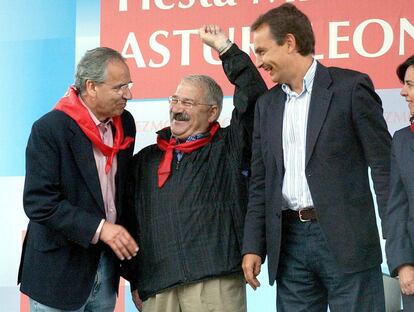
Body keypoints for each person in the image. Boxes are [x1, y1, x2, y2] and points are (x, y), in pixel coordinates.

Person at [241, 3, 391, 312]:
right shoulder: (266, 106)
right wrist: (254, 245)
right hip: (289, 243)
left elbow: (384, 168)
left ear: (291, 43)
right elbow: (260, 183)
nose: (259, 62)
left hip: (348, 241)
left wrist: (398, 240)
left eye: (262, 51)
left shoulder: (350, 88)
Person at [121, 25, 267, 312]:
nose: (177, 109)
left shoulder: (229, 146)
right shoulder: (146, 160)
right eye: (174, 100)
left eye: (187, 102)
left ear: (213, 111)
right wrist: (135, 278)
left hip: (214, 284)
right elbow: (128, 223)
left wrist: (226, 49)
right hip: (158, 289)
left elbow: (254, 97)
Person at [18, 47, 139, 311]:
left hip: (106, 271)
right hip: (57, 275)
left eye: (128, 85)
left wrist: (135, 274)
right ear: (91, 86)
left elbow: (123, 196)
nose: (128, 94)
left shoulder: (125, 122)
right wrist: (100, 227)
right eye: (120, 87)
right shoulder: (50, 129)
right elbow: (40, 203)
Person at [385, 55, 414, 311]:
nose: (403, 92)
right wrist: (403, 263)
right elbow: (397, 208)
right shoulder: (402, 140)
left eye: (411, 85)